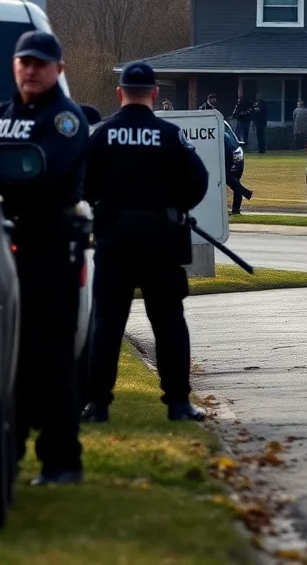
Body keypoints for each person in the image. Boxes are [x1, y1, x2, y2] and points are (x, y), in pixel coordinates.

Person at [0, 31, 90, 486]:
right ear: (14, 65)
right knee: (10, 356)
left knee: (54, 359)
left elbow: (43, 172)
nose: (31, 69)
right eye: (24, 61)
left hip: (50, 247)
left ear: (58, 69)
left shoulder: (66, 119)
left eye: (41, 63)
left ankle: (63, 462)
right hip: (4, 246)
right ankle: (9, 452)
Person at [81, 62, 211, 424]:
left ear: (119, 93)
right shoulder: (169, 135)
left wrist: (102, 207)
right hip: (160, 239)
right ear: (155, 93)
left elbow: (84, 183)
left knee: (107, 321)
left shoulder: (102, 135)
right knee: (169, 321)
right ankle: (178, 405)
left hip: (114, 237)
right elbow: (198, 181)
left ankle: (99, 406)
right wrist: (176, 206)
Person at [224, 123, 253, 215]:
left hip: (227, 161)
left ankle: (237, 208)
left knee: (232, 181)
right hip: (226, 161)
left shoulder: (225, 135)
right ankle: (245, 193)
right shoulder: (225, 135)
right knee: (234, 182)